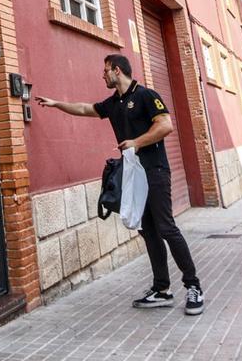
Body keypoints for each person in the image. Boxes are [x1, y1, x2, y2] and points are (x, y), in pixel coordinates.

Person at [35, 54, 204, 315]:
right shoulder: (113, 104)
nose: (102, 75)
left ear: (117, 70)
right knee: (148, 230)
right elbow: (84, 108)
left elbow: (165, 125)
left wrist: (136, 142)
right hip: (133, 176)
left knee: (166, 228)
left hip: (155, 171)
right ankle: (162, 289)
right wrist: (57, 104)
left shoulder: (147, 95)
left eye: (105, 71)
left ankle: (193, 286)